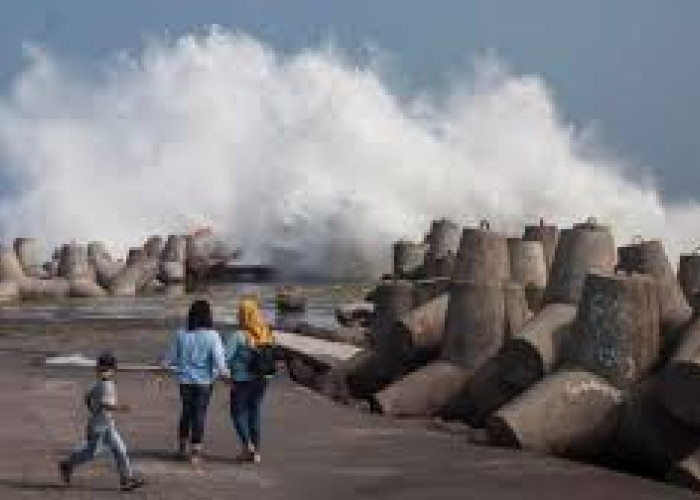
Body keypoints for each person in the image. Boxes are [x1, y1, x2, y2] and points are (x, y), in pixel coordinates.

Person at [58, 351, 146, 492]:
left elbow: (87, 397)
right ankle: (67, 464)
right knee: (92, 453)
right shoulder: (106, 385)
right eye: (104, 369)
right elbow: (105, 404)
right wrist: (121, 408)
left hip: (104, 425)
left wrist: (93, 409)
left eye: (106, 369)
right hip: (99, 427)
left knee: (119, 450)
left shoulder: (99, 383)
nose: (105, 371)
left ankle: (126, 479)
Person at [161, 299, 229, 466]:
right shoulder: (213, 335)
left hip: (184, 381)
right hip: (205, 382)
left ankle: (182, 447)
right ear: (208, 316)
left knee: (186, 412)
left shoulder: (181, 333)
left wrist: (162, 368)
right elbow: (219, 361)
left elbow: (169, 358)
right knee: (199, 414)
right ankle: (196, 451)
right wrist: (226, 375)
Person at [226, 297, 276, 463]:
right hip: (262, 379)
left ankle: (248, 445)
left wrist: (226, 375)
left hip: (241, 380)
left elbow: (226, 358)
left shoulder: (239, 335)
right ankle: (256, 452)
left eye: (239, 312)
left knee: (237, 413)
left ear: (243, 315)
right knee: (254, 413)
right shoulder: (266, 332)